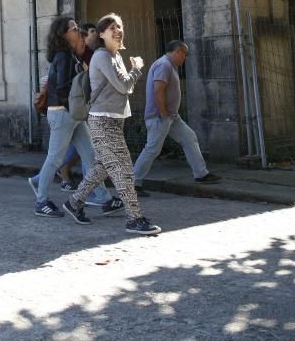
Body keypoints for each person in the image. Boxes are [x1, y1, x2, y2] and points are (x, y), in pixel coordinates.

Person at [63, 13, 162, 235]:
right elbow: (124, 86)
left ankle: (74, 202)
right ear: (101, 34)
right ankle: (134, 219)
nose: (118, 30)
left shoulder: (115, 56)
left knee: (102, 167)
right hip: (102, 121)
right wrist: (136, 69)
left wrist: (131, 73)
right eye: (112, 28)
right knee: (124, 170)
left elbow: (126, 88)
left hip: (114, 121)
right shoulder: (101, 56)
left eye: (120, 26)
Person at [28, 17, 118, 218]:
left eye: (78, 27)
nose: (79, 31)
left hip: (72, 113)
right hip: (63, 113)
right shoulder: (64, 56)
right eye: (74, 28)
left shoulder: (71, 55)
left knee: (90, 156)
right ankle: (41, 201)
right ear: (63, 34)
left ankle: (105, 199)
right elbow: (62, 88)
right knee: (55, 159)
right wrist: (77, 106)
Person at [132, 40, 220, 194]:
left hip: (171, 116)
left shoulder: (168, 65)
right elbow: (158, 90)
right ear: (178, 51)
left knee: (189, 137)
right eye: (184, 54)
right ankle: (133, 184)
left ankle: (201, 174)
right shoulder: (164, 65)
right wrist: (164, 113)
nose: (185, 58)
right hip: (161, 116)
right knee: (152, 149)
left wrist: (168, 115)